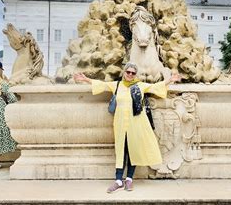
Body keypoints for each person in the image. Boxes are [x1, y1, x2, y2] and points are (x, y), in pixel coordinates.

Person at [74, 62, 181, 193]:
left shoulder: (140, 86)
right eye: (128, 72)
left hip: (136, 124)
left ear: (135, 74)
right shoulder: (117, 85)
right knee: (120, 150)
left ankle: (129, 179)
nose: (130, 74)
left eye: (133, 73)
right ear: (124, 72)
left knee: (133, 151)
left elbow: (155, 87)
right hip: (120, 124)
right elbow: (102, 85)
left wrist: (170, 80)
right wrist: (85, 79)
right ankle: (118, 180)